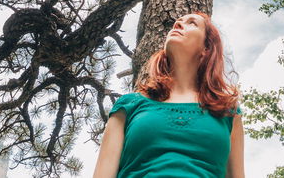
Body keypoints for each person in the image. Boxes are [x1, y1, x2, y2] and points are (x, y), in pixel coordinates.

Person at [92, 12, 245, 178]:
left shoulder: (228, 111)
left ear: (206, 48)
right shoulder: (129, 105)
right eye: (177, 22)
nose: (178, 24)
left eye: (192, 23)